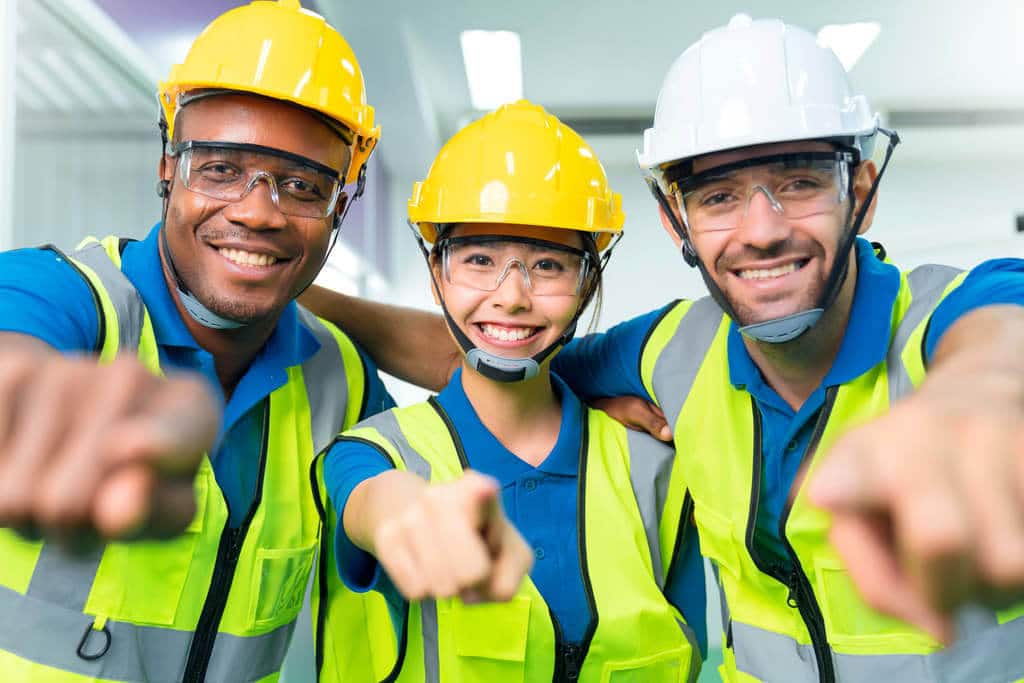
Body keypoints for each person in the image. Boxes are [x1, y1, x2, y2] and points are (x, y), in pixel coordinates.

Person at [301, 16, 1024, 683]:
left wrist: (975, 398)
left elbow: (1001, 327)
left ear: (860, 189)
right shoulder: (674, 352)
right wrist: (289, 292)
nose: (763, 228)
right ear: (675, 217)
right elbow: (492, 355)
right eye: (718, 196)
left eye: (799, 182)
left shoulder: (943, 317)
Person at [0, 1, 397, 680]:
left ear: (341, 208)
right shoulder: (66, 298)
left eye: (303, 185)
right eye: (220, 169)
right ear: (166, 166)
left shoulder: (343, 382)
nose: (256, 210)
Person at [319, 100, 705, 682]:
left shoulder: (654, 468)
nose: (512, 296)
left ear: (588, 282)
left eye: (548, 265)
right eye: (479, 259)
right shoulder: (374, 453)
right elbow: (376, 504)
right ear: (436, 273)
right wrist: (410, 512)